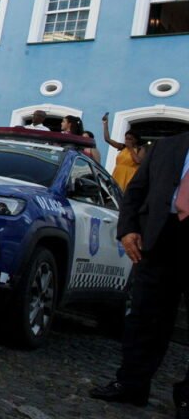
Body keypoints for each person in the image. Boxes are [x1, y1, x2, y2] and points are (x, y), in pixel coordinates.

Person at [89, 131, 189, 418]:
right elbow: (136, 191)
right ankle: (131, 384)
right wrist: (128, 228)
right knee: (145, 315)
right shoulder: (166, 146)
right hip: (158, 237)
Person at [103, 113, 145, 190]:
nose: (127, 141)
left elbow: (138, 161)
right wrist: (105, 124)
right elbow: (107, 139)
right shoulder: (122, 147)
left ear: (136, 140)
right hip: (118, 174)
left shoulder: (140, 149)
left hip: (129, 176)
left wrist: (131, 149)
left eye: (130, 139)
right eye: (126, 138)